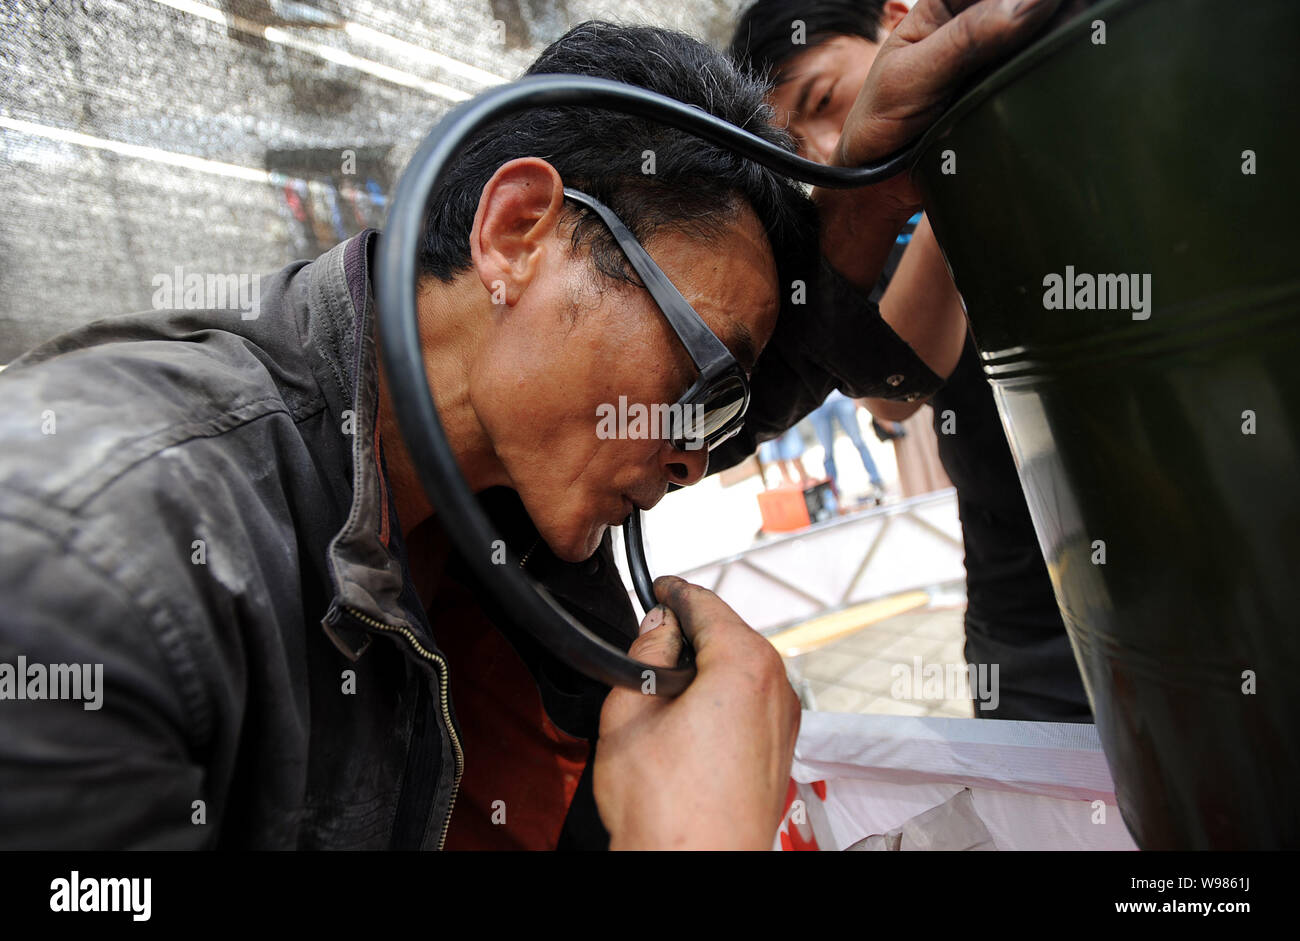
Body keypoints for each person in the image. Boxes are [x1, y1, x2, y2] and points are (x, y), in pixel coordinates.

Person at [0, 1, 1071, 850]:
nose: (697, 451)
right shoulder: (96, 568)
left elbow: (766, 358)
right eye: (701, 376)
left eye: (723, 405)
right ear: (518, 233)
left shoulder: (501, 443)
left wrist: (867, 200)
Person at [728, 0, 1092, 720]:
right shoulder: (883, 237)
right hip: (1025, 620)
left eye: (827, 100)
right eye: (797, 148)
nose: (831, 150)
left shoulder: (1069, 86)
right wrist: (952, 155)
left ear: (901, 23)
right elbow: (893, 394)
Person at [806, 389, 886, 499]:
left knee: (858, 442)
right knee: (827, 451)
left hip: (841, 397)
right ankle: (833, 491)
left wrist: (856, 397)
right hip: (818, 403)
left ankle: (876, 480)